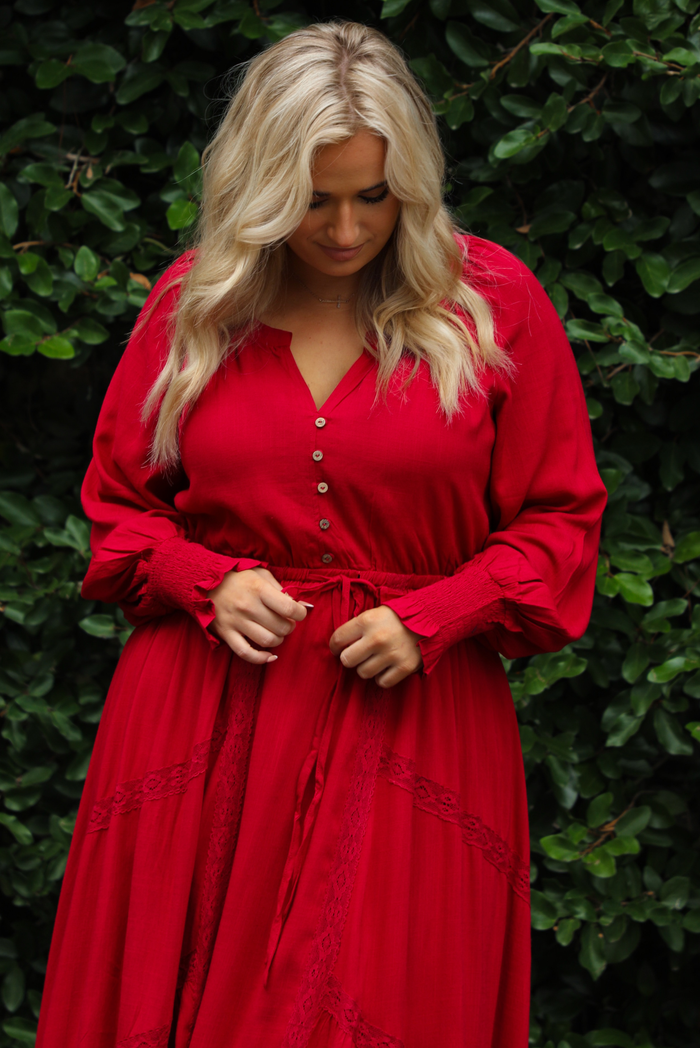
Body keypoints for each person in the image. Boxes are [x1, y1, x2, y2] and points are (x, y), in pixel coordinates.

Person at [36, 20, 607, 1048]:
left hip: (412, 722)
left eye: (372, 195)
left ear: (410, 184)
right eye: (312, 198)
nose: (345, 228)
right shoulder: (193, 308)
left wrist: (437, 613)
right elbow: (118, 508)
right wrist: (202, 578)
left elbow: (560, 521)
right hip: (205, 716)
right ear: (261, 186)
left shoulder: (492, 308)